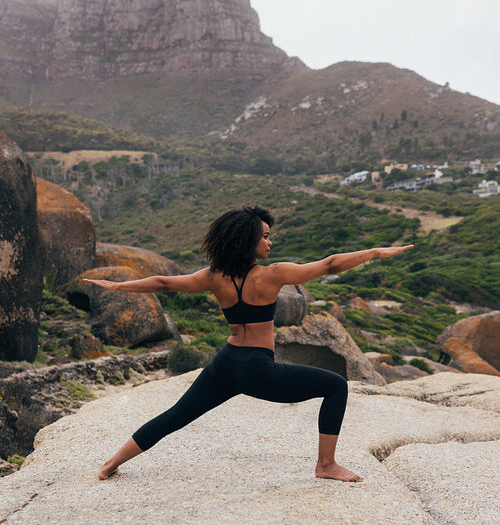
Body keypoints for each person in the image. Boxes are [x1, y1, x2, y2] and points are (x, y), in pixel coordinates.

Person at [84, 205, 413, 482]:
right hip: (258, 370)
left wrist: (116, 289)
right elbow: (328, 264)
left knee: (174, 416)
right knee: (336, 386)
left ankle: (111, 464)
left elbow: (163, 282)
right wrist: (373, 252)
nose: (270, 242)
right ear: (248, 241)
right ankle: (326, 465)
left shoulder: (213, 276)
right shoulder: (273, 275)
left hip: (225, 365)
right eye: (265, 236)